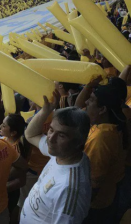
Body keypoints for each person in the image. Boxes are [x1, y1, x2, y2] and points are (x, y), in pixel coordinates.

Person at [20, 87, 92, 223]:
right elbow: (31, 135)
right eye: (51, 130)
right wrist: (46, 110)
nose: (50, 139)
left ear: (79, 141)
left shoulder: (70, 189)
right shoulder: (61, 152)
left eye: (62, 135)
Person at [75, 76, 127, 220]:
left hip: (97, 206)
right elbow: (78, 107)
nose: (86, 102)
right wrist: (88, 86)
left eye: (91, 100)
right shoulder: (103, 123)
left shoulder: (101, 138)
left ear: (102, 109)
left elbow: (94, 183)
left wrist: (81, 209)